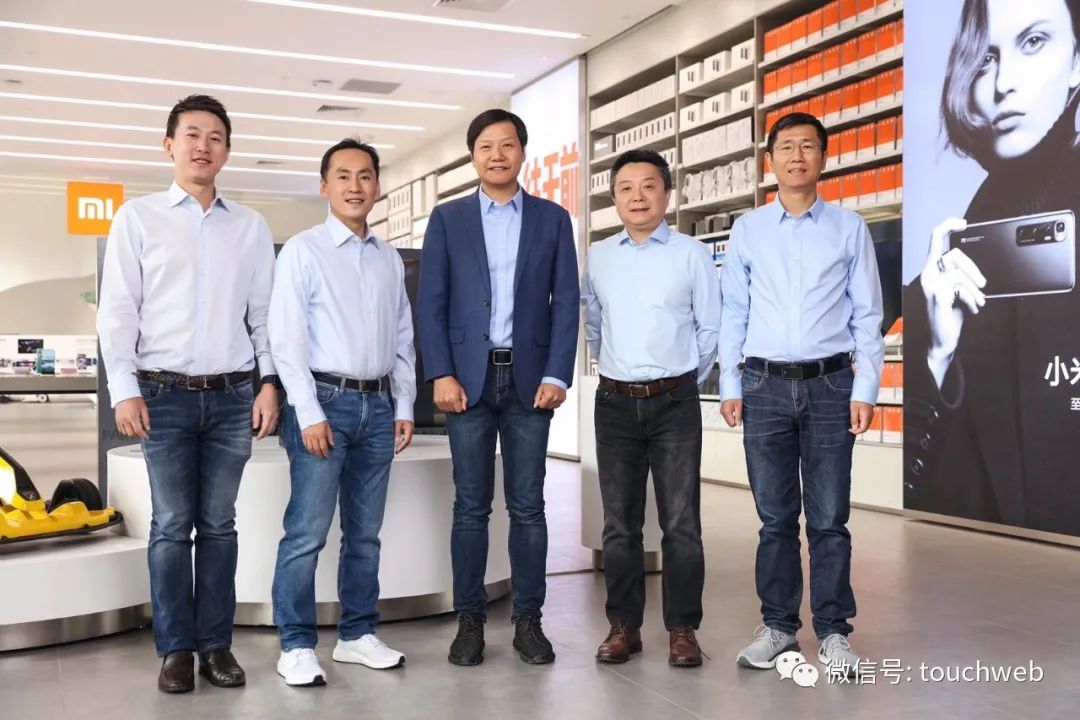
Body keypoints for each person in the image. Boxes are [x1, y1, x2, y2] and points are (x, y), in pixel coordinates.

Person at [97, 94, 280, 693]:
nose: (204, 146)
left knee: (220, 525)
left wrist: (269, 383)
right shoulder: (138, 218)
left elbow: (264, 317)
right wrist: (124, 390)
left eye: (216, 137)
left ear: (227, 150)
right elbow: (117, 312)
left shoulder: (250, 226)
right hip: (162, 395)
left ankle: (216, 645)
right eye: (193, 135)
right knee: (172, 525)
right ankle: (175, 649)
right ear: (169, 144)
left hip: (232, 397)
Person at [906, 0, 1080, 536]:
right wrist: (937, 353)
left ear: (1077, 60)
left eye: (1034, 42)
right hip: (975, 568)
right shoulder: (943, 272)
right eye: (985, 58)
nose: (1003, 84)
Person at [720, 112, 884, 674]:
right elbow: (733, 312)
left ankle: (834, 633)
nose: (797, 156)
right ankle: (779, 628)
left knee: (830, 518)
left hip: (832, 384)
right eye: (786, 147)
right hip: (763, 383)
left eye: (807, 146)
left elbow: (868, 315)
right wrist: (730, 384)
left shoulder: (849, 228)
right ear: (769, 160)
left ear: (823, 157)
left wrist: (866, 388)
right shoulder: (748, 230)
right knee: (774, 519)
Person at [418, 108, 579, 666]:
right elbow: (431, 302)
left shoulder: (552, 219)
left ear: (522, 153)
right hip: (467, 380)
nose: (497, 155)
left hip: (531, 381)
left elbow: (566, 302)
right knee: (470, 506)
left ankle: (528, 621)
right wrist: (440, 372)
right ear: (473, 156)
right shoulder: (448, 218)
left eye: (507, 145)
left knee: (529, 506)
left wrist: (558, 373)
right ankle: (469, 622)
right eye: (486, 146)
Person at [268, 138, 416, 687]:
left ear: (377, 186)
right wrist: (307, 412)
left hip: (378, 405)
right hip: (324, 403)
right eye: (344, 176)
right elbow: (285, 338)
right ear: (324, 186)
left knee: (365, 534)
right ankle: (295, 644)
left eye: (366, 176)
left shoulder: (388, 257)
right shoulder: (303, 251)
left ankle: (356, 635)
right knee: (306, 532)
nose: (356, 186)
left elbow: (402, 334)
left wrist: (404, 401)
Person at [580, 149, 719, 667]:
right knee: (619, 525)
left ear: (667, 193)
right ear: (614, 198)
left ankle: (683, 629)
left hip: (675, 402)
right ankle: (624, 627)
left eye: (648, 186)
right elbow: (593, 323)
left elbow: (710, 328)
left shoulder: (691, 254)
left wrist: (681, 379)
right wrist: (619, 368)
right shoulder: (599, 256)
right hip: (615, 402)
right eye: (626, 188)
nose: (637, 197)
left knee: (681, 523)